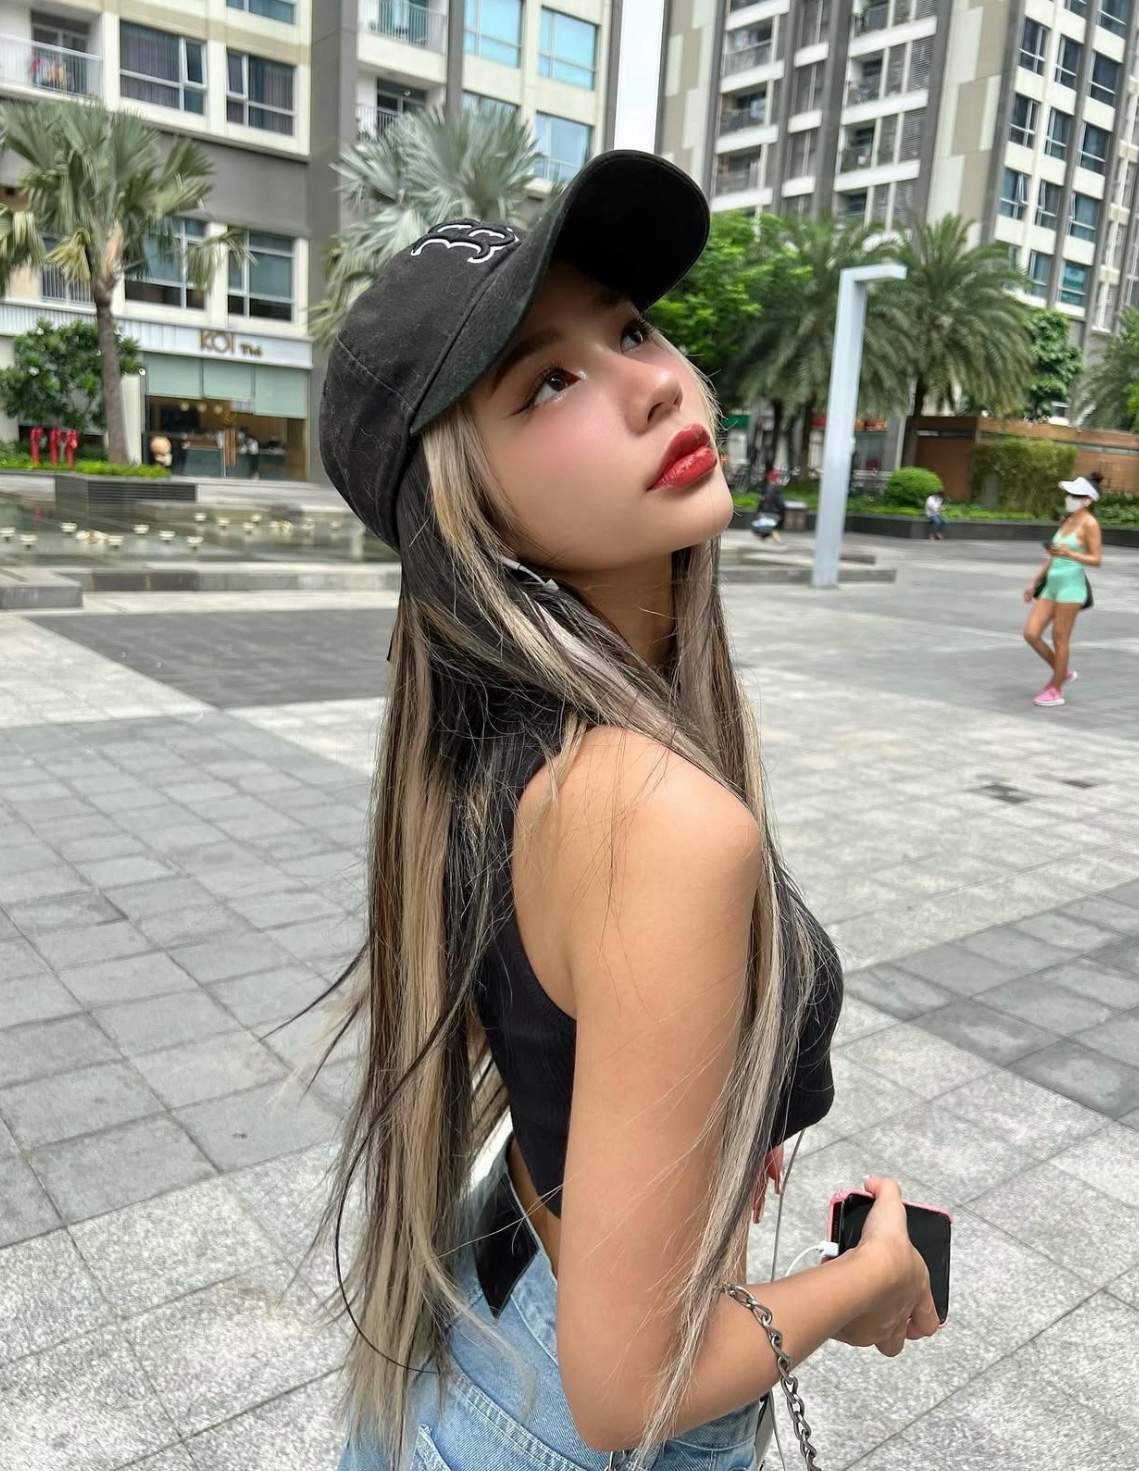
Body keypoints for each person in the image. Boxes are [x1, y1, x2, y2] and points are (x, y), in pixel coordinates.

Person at [316, 151, 939, 1471]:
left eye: (632, 329)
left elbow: (548, 1012)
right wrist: (871, 1277)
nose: (653, 382)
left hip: (482, 1319)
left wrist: (700, 1117)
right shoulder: (652, 816)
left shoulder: (492, 751)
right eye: (547, 380)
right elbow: (629, 1389)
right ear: (471, 513)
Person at [1022, 475, 1103, 708]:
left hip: (1071, 587)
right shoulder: (1068, 519)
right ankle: (1062, 671)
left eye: (1075, 495)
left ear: (1088, 500)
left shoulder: (1090, 524)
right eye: (1069, 494)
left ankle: (1056, 690)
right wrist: (1034, 581)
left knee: (1060, 639)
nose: (1070, 498)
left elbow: (1097, 559)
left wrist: (1071, 554)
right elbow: (1053, 556)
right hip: (1052, 585)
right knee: (1031, 633)